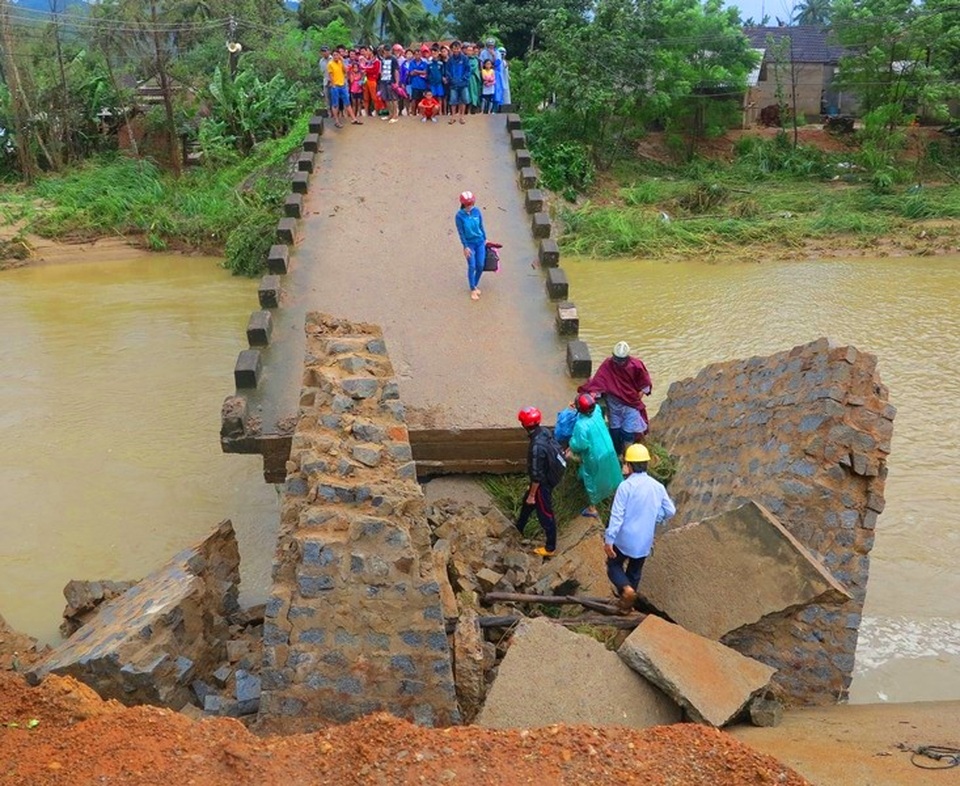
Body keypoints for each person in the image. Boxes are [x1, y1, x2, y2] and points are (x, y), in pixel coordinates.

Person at [603, 443, 675, 612]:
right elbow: (670, 511)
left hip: (624, 539)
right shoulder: (657, 486)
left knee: (613, 565)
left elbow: (617, 516)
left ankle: (626, 590)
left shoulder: (625, 486)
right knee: (634, 572)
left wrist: (609, 539)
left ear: (629, 465)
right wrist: (657, 517)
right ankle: (627, 605)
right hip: (644, 540)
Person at [578, 341, 653, 456]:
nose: (618, 362)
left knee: (629, 432)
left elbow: (645, 384)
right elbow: (599, 381)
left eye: (621, 360)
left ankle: (628, 456)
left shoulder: (636, 365)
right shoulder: (608, 365)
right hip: (614, 403)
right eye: (616, 359)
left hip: (630, 404)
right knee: (615, 430)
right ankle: (617, 454)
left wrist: (638, 397)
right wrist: (593, 393)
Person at [567, 393, 623, 518]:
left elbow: (579, 445)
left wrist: (571, 444)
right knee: (612, 471)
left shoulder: (581, 425)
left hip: (595, 456)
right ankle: (615, 493)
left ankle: (592, 508)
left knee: (592, 478)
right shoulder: (597, 411)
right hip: (608, 449)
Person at [515, 407, 559, 558]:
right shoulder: (544, 431)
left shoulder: (536, 447)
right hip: (548, 475)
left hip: (542, 484)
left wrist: (533, 494)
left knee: (545, 513)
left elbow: (536, 475)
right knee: (526, 503)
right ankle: (518, 528)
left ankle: (550, 547)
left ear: (524, 425)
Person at [455, 190, 486, 300]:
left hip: (480, 241)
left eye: (471, 204)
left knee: (480, 265)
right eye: (467, 204)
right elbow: (461, 232)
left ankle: (475, 284)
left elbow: (481, 226)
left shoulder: (477, 211)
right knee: (472, 265)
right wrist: (465, 246)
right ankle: (472, 289)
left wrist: (485, 239)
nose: (469, 206)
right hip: (469, 244)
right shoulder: (459, 216)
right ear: (463, 204)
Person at [326, 49, 356, 128]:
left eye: (337, 55)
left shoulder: (340, 62)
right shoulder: (330, 64)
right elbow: (330, 75)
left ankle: (354, 119)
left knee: (347, 103)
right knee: (335, 104)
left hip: (342, 85)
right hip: (335, 86)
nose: (335, 56)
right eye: (334, 55)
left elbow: (345, 71)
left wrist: (342, 61)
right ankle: (336, 121)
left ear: (339, 55)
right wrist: (333, 84)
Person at [444, 40, 470, 124]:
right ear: (451, 49)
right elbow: (447, 71)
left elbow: (468, 70)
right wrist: (451, 79)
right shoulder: (450, 60)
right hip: (453, 84)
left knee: (464, 100)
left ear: (460, 49)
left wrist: (464, 78)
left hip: (463, 83)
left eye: (458, 48)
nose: (456, 50)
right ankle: (453, 117)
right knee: (453, 101)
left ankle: (462, 117)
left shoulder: (465, 58)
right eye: (454, 48)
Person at [378, 45, 401, 122]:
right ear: (384, 51)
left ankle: (395, 115)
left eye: (389, 51)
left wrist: (397, 82)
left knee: (394, 99)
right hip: (384, 81)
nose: (387, 52)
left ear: (391, 51)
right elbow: (381, 70)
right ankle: (390, 114)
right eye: (386, 51)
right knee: (386, 99)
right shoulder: (383, 59)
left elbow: (396, 71)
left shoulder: (394, 59)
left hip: (392, 81)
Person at [319, 45, 333, 112]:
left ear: (329, 51)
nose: (324, 53)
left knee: (334, 97)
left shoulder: (333, 59)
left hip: (333, 81)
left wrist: (331, 81)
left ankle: (336, 113)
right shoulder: (321, 61)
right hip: (325, 81)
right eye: (322, 51)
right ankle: (329, 112)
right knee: (327, 98)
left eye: (325, 51)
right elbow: (322, 72)